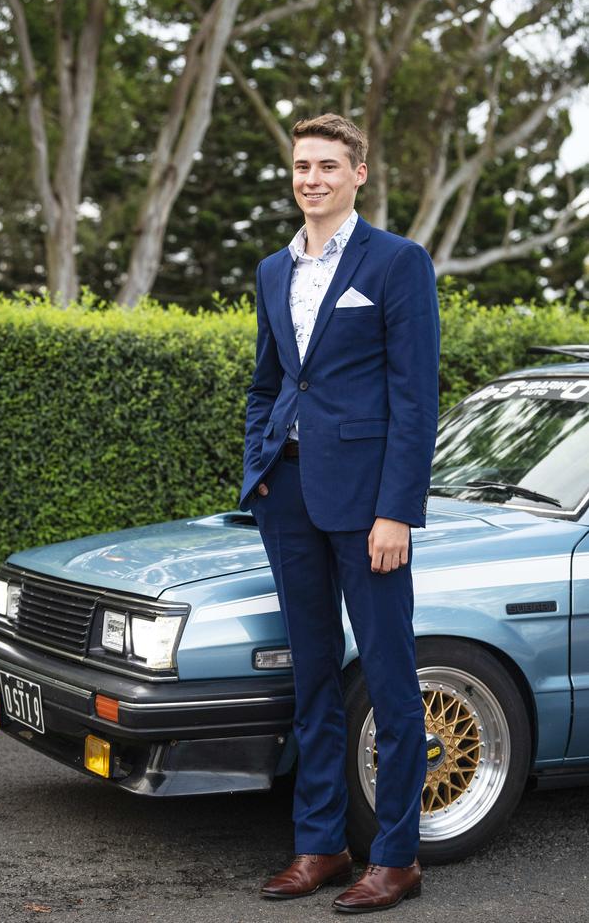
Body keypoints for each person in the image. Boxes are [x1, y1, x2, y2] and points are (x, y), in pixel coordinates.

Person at [239, 113, 440, 913]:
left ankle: (397, 856)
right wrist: (258, 466)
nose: (311, 177)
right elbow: (270, 381)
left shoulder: (397, 262)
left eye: (328, 164)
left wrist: (397, 511)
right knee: (313, 677)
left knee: (391, 681)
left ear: (359, 173)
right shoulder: (271, 269)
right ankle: (319, 844)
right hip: (286, 498)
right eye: (300, 165)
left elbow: (414, 399)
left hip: (368, 510)